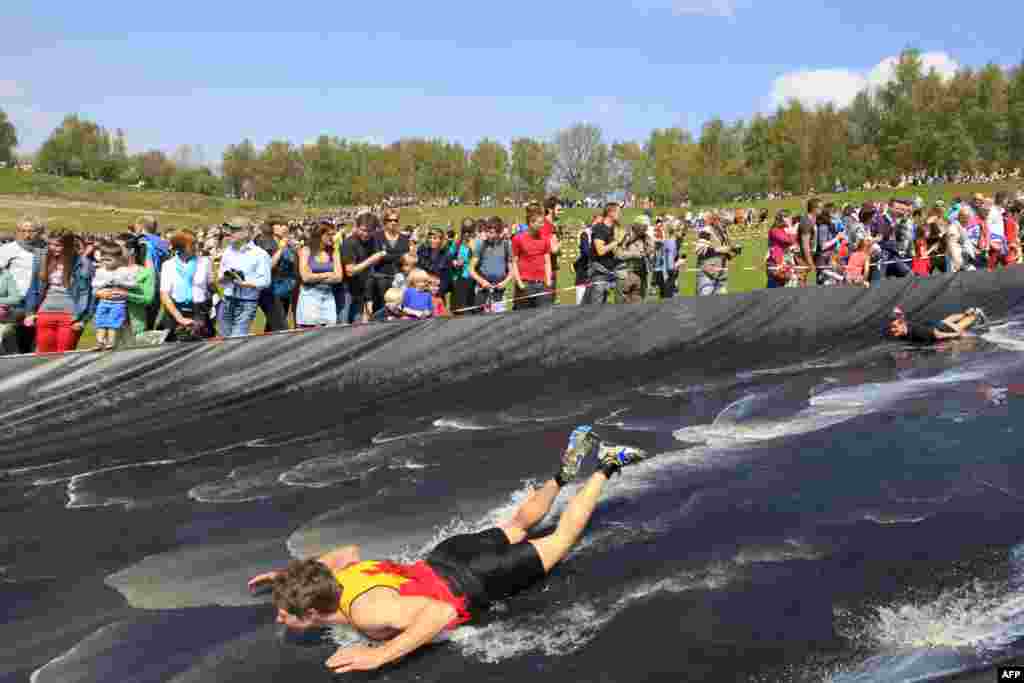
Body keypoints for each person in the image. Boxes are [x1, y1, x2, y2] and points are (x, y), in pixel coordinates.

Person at [248, 426, 649, 674]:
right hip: (449, 554)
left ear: (313, 613)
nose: (280, 617)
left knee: (561, 539)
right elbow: (346, 551)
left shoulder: (367, 612)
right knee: (516, 525)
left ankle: (606, 465)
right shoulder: (338, 575)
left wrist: (380, 654)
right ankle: (562, 474)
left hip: (478, 577)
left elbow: (438, 614)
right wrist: (291, 577)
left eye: (287, 612)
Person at [23, 230, 95, 353]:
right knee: (44, 356)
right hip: (45, 313)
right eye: (50, 244)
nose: (53, 248)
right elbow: (34, 287)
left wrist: (83, 319)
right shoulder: (43, 260)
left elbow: (88, 294)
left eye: (58, 245)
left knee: (64, 356)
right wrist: (30, 312)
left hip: (70, 316)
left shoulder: (83, 264)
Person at [217, 218, 272, 338]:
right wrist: (225, 278)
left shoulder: (260, 254)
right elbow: (220, 278)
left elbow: (265, 281)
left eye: (234, 229)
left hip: (246, 303)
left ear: (246, 232)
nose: (229, 232)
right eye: (229, 229)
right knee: (222, 339)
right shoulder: (228, 251)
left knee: (236, 340)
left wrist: (245, 284)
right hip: (227, 300)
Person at [158, 231, 215, 343]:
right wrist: (179, 318)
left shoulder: (205, 262)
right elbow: (164, 294)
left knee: (202, 347)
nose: (196, 247)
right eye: (192, 244)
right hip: (176, 312)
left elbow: (210, 286)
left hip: (199, 312)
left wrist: (214, 304)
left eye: (196, 243)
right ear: (180, 247)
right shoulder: (168, 265)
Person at [0, 216, 46, 353]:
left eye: (31, 231)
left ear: (39, 232)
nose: (27, 235)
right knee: (9, 339)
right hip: (13, 302)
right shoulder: (9, 249)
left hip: (36, 301)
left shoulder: (44, 249)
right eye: (23, 231)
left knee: (29, 341)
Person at [90, 241, 137, 351]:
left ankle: (111, 342)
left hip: (118, 303)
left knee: (113, 323)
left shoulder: (124, 271)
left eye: (109, 260)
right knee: (101, 322)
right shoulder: (100, 271)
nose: (105, 262)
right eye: (103, 259)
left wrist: (121, 282)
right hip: (104, 302)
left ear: (118, 259)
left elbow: (134, 284)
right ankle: (100, 342)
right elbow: (94, 284)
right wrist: (104, 283)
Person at [254, 216, 298, 333]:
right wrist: (281, 249)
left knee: (273, 327)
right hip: (270, 291)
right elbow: (267, 266)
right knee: (281, 327)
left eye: (286, 225)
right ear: (272, 227)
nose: (285, 228)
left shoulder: (287, 243)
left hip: (285, 289)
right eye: (281, 225)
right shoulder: (265, 242)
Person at [296, 223, 344, 328]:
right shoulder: (306, 250)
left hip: (328, 297)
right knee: (309, 331)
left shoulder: (334, 252)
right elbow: (305, 277)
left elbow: (339, 277)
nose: (332, 237)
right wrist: (328, 274)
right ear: (320, 235)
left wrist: (314, 276)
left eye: (333, 234)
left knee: (329, 332)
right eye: (329, 234)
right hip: (309, 296)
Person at [341, 213, 385, 324]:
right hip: (346, 291)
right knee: (344, 323)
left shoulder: (372, 241)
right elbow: (350, 271)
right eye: (363, 230)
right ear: (356, 227)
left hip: (361, 290)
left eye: (370, 231)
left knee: (358, 325)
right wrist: (372, 260)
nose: (366, 234)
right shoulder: (349, 243)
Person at [511, 205, 553, 310]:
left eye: (543, 222)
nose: (542, 225)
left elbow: (547, 262)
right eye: (540, 223)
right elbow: (514, 262)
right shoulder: (518, 239)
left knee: (543, 316)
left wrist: (548, 281)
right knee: (522, 317)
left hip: (542, 286)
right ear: (531, 223)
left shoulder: (545, 239)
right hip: (525, 285)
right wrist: (520, 283)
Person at [369, 210, 411, 314]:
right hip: (381, 278)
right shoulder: (377, 237)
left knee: (399, 307)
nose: (393, 222)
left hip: (399, 279)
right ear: (385, 221)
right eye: (390, 220)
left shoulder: (404, 238)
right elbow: (377, 256)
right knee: (381, 308)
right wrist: (399, 256)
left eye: (395, 220)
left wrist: (386, 255)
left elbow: (406, 257)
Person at [134, 215, 170, 330]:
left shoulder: (142, 242)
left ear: (140, 227)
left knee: (139, 321)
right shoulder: (163, 243)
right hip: (159, 282)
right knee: (151, 319)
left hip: (144, 281)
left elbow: (141, 262)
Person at [470, 217, 512, 313]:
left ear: (499, 233)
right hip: (482, 288)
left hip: (499, 289)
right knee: (480, 316)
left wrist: (504, 282)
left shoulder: (506, 245)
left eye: (492, 233)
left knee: (499, 317)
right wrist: (482, 281)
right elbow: (471, 269)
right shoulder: (481, 245)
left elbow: (511, 270)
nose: (489, 235)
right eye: (488, 232)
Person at [581, 203, 621, 305]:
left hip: (608, 273)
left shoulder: (612, 229)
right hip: (598, 273)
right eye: (618, 212)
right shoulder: (600, 228)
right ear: (610, 213)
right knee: (594, 307)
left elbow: (614, 251)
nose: (620, 214)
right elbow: (600, 250)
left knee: (602, 305)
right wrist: (616, 242)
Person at [887, 307, 987, 344]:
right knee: (947, 320)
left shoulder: (918, 331)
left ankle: (975, 315)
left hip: (940, 330)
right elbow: (901, 317)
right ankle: (970, 312)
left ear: (901, 325)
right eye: (892, 327)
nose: (892, 330)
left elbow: (938, 335)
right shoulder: (904, 326)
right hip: (934, 324)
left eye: (894, 327)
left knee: (959, 326)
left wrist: (956, 334)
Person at [695, 213, 738, 296]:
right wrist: (720, 249)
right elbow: (699, 250)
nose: (726, 227)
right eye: (724, 224)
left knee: (722, 303)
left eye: (727, 224)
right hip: (707, 275)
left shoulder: (725, 233)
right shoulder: (706, 230)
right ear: (717, 220)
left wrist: (733, 252)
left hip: (721, 275)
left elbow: (724, 254)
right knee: (704, 302)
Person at [614, 219, 654, 304]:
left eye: (645, 228)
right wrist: (635, 254)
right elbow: (618, 254)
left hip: (641, 274)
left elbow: (650, 251)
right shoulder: (625, 236)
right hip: (625, 274)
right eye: (643, 228)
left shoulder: (645, 237)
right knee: (621, 304)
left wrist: (649, 251)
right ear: (636, 227)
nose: (645, 230)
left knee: (638, 303)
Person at [447, 219, 477, 315]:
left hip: (473, 279)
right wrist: (454, 262)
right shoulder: (457, 242)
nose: (467, 234)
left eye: (469, 231)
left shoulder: (478, 243)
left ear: (473, 230)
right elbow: (448, 256)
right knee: (458, 308)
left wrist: (473, 248)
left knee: (470, 307)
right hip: (458, 278)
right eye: (464, 231)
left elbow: (480, 260)